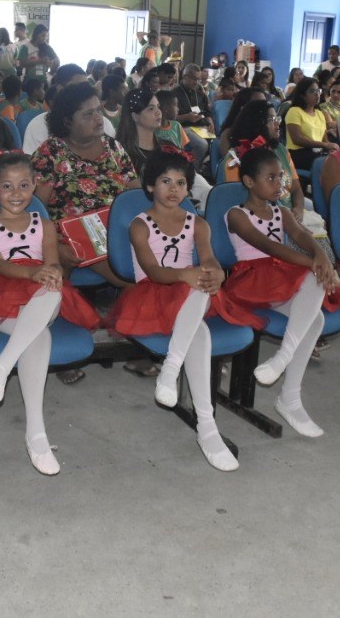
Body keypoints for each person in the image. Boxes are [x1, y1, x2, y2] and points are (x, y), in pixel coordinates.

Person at [0, 152, 101, 474]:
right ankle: (36, 434)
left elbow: (52, 261)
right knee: (39, 333)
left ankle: (1, 369)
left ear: (34, 186)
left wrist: (53, 271)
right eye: (7, 186)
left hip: (42, 291)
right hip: (0, 291)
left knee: (52, 289)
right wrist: (32, 274)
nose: (16, 194)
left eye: (24, 185)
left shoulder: (43, 223)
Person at [108, 150, 259, 471]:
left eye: (180, 183)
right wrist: (186, 275)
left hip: (192, 296)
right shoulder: (140, 225)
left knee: (199, 307)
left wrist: (214, 272)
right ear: (150, 186)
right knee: (197, 311)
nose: (174, 189)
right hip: (154, 294)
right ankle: (205, 424)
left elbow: (208, 259)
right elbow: (152, 270)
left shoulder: (197, 223)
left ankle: (187, 396)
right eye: (165, 182)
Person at [222, 147, 340, 435]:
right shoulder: (236, 215)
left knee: (318, 318)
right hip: (253, 279)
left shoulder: (282, 211)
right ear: (249, 181)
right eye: (271, 178)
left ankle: (288, 387)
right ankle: (287, 388)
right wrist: (314, 264)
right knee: (314, 294)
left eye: (281, 177)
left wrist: (321, 256)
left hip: (284, 276)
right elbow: (268, 246)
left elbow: (301, 235)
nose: (279, 184)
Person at [31, 80, 139, 287]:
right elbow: (36, 210)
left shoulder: (113, 146)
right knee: (134, 281)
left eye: (98, 110)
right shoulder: (50, 153)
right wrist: (54, 246)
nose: (98, 119)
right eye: (88, 114)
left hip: (118, 229)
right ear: (67, 122)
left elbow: (136, 195)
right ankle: (135, 290)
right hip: (75, 236)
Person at [221, 99, 302, 212]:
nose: (277, 123)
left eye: (277, 118)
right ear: (257, 122)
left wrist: (297, 208)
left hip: (289, 211)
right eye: (272, 119)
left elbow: (296, 188)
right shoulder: (236, 159)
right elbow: (241, 203)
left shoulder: (280, 150)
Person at [285, 77, 338, 173]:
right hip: (299, 153)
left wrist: (330, 148)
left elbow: (324, 138)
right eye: (312, 91)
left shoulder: (319, 113)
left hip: (318, 152)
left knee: (338, 159)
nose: (317, 94)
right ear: (302, 95)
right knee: (328, 165)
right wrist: (324, 145)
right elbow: (297, 139)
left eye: (318, 91)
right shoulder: (294, 111)